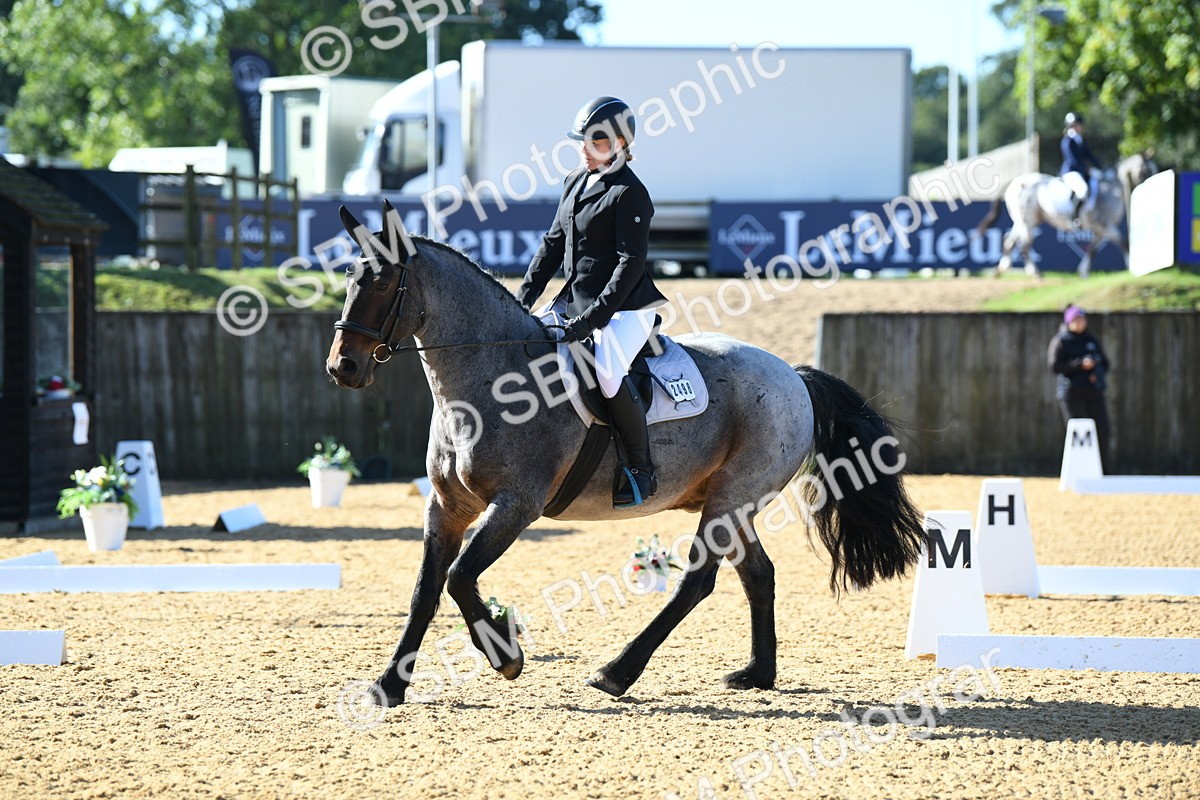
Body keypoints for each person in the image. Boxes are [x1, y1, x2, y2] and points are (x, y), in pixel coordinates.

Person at [517, 96, 667, 507]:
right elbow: (551, 246)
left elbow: (629, 263)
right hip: (574, 302)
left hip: (624, 309)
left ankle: (640, 467)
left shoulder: (630, 193)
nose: (584, 148)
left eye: (594, 141)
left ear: (619, 143)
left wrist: (591, 320)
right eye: (582, 140)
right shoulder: (575, 180)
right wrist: (521, 299)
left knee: (606, 372)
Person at [1048, 304, 1112, 469]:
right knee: (1079, 433)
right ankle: (1079, 470)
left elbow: (1105, 363)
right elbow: (1055, 366)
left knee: (1102, 430)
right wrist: (1079, 365)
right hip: (1072, 393)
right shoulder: (1061, 340)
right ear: (1069, 322)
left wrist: (1096, 372)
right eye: (1076, 319)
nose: (1081, 322)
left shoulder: (1091, 339)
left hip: (1094, 392)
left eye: (1082, 319)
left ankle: (1102, 470)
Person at [1060, 112, 1105, 225]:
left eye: (1080, 124)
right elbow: (1073, 160)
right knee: (1083, 190)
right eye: (1078, 124)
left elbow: (1089, 155)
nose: (1080, 127)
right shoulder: (1067, 141)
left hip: (1080, 171)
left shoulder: (1080, 139)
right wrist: (1088, 170)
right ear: (1072, 126)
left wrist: (1101, 166)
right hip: (1071, 172)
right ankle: (1074, 217)